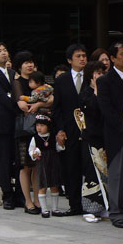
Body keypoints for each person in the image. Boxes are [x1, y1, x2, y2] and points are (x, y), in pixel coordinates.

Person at [97, 40, 123, 228]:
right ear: (113, 58)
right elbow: (106, 109)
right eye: (122, 54)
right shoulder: (104, 81)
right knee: (118, 174)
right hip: (118, 134)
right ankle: (117, 212)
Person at [53, 43, 88, 216]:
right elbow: (57, 108)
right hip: (70, 130)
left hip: (90, 130)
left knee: (90, 168)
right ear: (69, 60)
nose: (82, 59)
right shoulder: (61, 81)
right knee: (71, 168)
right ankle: (75, 205)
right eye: (78, 56)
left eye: (84, 56)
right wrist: (59, 130)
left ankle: (93, 204)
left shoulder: (92, 77)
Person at [13, 51, 49, 214]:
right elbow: (21, 103)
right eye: (26, 62)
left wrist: (38, 104)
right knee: (25, 166)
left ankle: (37, 200)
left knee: (36, 165)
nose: (30, 65)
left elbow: (52, 98)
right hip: (24, 129)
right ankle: (28, 202)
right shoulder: (17, 82)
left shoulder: (39, 80)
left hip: (39, 128)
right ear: (19, 66)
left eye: (31, 62)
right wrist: (39, 103)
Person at [78, 61, 109, 223]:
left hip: (104, 137)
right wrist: (96, 91)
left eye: (102, 73)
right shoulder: (86, 93)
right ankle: (88, 209)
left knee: (105, 173)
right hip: (91, 137)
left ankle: (102, 206)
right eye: (97, 73)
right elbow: (88, 108)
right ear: (90, 76)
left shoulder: (106, 92)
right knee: (91, 173)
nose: (100, 76)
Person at [28, 114, 64, 218]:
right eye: (37, 125)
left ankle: (55, 209)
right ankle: (44, 210)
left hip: (53, 162)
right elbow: (31, 150)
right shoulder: (35, 138)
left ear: (48, 126)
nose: (39, 128)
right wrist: (33, 154)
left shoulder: (52, 136)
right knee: (42, 186)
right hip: (42, 163)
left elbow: (58, 148)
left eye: (42, 125)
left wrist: (61, 143)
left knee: (54, 185)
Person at [0, 41, 19, 210]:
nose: (3, 53)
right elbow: (3, 97)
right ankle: (7, 194)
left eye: (5, 50)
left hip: (18, 122)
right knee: (4, 159)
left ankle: (19, 193)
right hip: (2, 123)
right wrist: (18, 105)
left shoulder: (13, 73)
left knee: (18, 159)